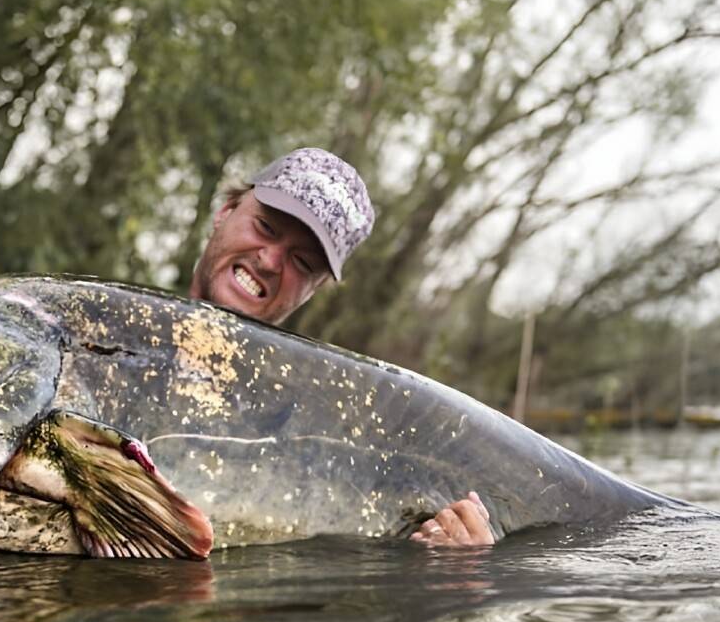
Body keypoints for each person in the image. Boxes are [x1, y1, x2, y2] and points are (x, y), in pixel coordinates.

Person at [188, 147, 494, 548]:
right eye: (265, 227)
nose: (270, 260)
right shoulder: (97, 326)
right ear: (226, 211)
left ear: (314, 289)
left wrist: (459, 565)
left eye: (302, 262)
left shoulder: (322, 418)